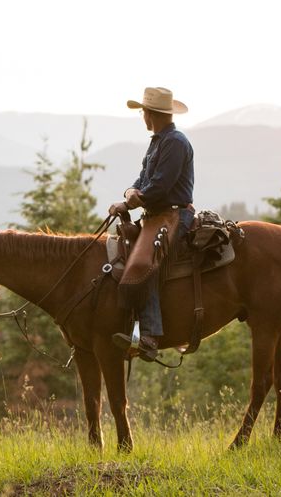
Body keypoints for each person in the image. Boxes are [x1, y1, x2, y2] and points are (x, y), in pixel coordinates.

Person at [108, 87, 195, 360]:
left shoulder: (175, 143)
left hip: (172, 216)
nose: (142, 116)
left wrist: (130, 202)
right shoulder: (158, 141)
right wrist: (128, 193)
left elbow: (158, 187)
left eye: (143, 112)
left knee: (144, 265)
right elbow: (142, 180)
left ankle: (149, 335)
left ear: (150, 114)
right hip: (156, 216)